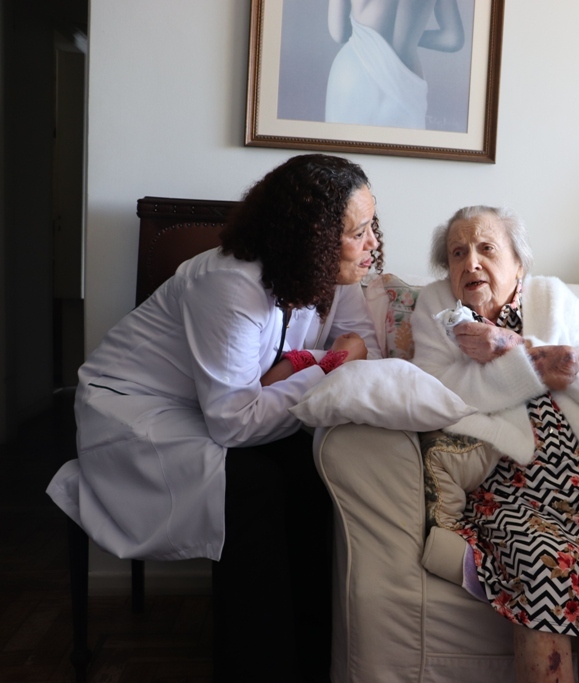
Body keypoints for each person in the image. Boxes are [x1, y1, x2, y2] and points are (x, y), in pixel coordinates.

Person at [46, 154, 384, 682]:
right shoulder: (230, 283)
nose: (373, 245)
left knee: (317, 468)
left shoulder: (330, 274)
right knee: (252, 488)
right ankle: (258, 668)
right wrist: (328, 363)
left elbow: (368, 342)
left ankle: (314, 660)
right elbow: (236, 421)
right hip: (134, 414)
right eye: (359, 231)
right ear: (312, 238)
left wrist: (305, 367)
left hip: (208, 406)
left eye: (372, 226)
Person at [411, 205, 579, 682]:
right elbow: (442, 388)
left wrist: (515, 346)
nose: (470, 262)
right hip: (507, 485)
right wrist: (540, 368)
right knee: (541, 562)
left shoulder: (551, 297)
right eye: (457, 253)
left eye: (486, 248)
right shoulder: (436, 307)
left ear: (519, 264)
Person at [325, 0, 464, 128]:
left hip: (355, 71)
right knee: (400, 149)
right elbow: (453, 39)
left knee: (347, 147)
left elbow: (339, 34)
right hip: (406, 80)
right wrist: (410, 40)